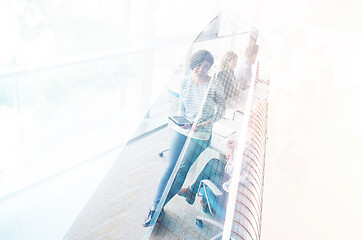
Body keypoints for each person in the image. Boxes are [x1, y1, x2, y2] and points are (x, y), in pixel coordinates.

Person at [143, 50, 226, 227]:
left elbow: (221, 111)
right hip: (183, 129)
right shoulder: (186, 81)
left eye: (206, 66)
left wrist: (203, 124)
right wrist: (182, 119)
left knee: (181, 169)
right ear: (193, 63)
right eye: (199, 64)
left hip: (200, 134)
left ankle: (157, 208)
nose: (201, 69)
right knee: (170, 167)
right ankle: (155, 207)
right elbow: (181, 105)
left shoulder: (214, 85)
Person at [178, 140, 238, 219]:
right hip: (233, 178)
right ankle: (198, 196)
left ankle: (193, 193)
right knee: (214, 163)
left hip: (233, 188)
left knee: (210, 175)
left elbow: (235, 173)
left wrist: (231, 160)